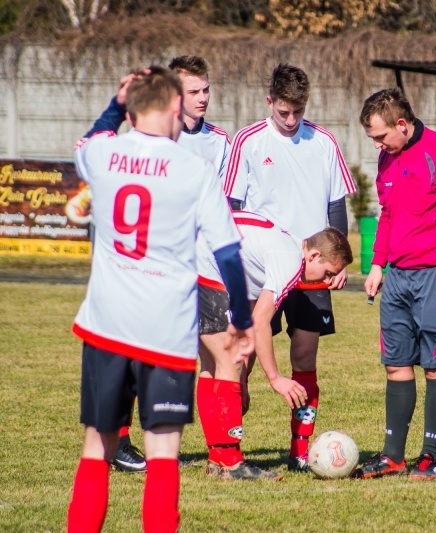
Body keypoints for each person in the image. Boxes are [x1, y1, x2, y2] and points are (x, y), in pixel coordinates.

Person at [67, 67, 255, 533]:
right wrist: (244, 318)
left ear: (131, 106)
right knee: (163, 456)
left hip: (106, 326)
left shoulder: (104, 153)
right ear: (176, 106)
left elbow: (91, 139)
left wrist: (116, 103)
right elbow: (229, 252)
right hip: (166, 331)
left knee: (97, 449)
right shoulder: (194, 170)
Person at [223, 63, 356, 471]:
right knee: (240, 357)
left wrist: (337, 260)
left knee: (305, 357)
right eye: (284, 111)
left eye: (298, 111)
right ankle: (228, 450)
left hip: (312, 267)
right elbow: (231, 207)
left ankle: (301, 453)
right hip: (263, 266)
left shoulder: (324, 142)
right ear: (270, 102)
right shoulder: (247, 141)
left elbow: (337, 204)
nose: (292, 119)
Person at [108, 54, 233, 473]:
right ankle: (121, 442)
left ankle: (220, 446)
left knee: (206, 356)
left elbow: (230, 206)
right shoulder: (150, 137)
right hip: (152, 266)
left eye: (206, 90)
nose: (203, 98)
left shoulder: (221, 143)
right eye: (193, 91)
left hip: (203, 270)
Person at [355, 88, 436, 480]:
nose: (376, 144)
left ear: (402, 125)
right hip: (398, 278)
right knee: (395, 364)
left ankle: (430, 455)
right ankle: (392, 456)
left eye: (379, 136)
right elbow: (387, 216)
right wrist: (377, 265)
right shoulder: (386, 159)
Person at [196, 211, 353, 479]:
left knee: (212, 365)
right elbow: (260, 322)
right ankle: (231, 462)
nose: (327, 282)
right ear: (313, 255)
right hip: (199, 265)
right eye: (328, 273)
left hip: (187, 259)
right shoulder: (291, 259)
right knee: (230, 361)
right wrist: (275, 378)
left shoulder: (285, 246)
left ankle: (217, 459)